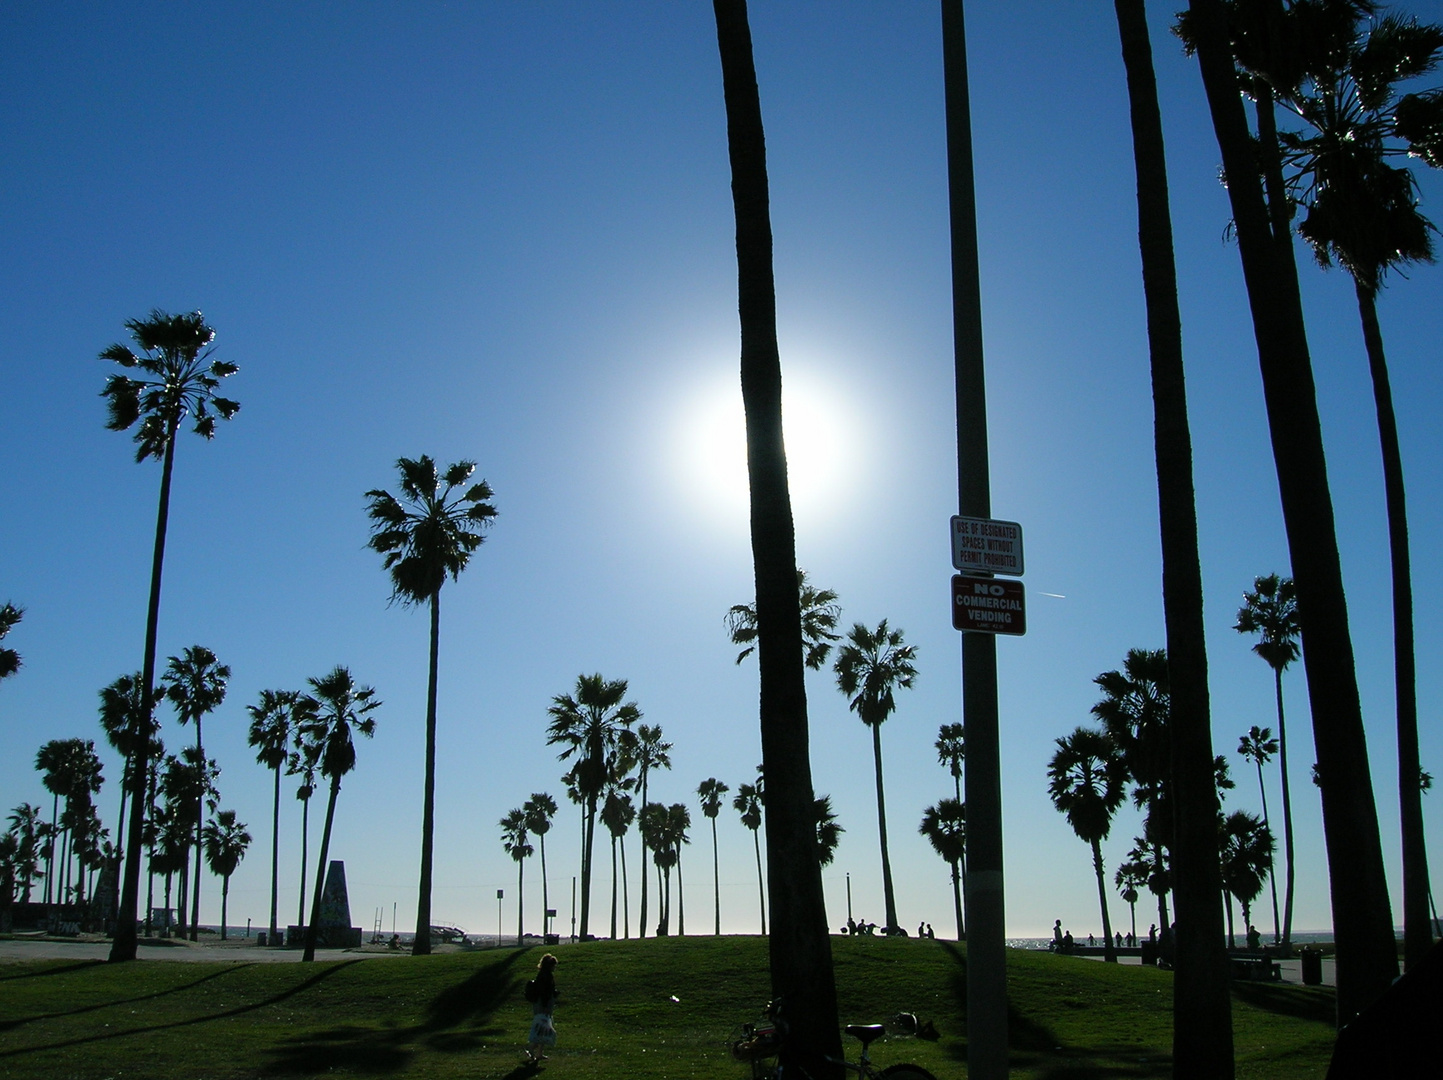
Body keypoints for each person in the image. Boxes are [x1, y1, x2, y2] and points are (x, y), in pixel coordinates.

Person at [526, 953, 559, 1062]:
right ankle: (532, 1048)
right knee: (543, 1027)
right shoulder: (547, 976)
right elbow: (546, 991)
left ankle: (539, 1052)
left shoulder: (542, 975)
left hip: (541, 1003)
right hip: (544, 1005)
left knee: (544, 1027)